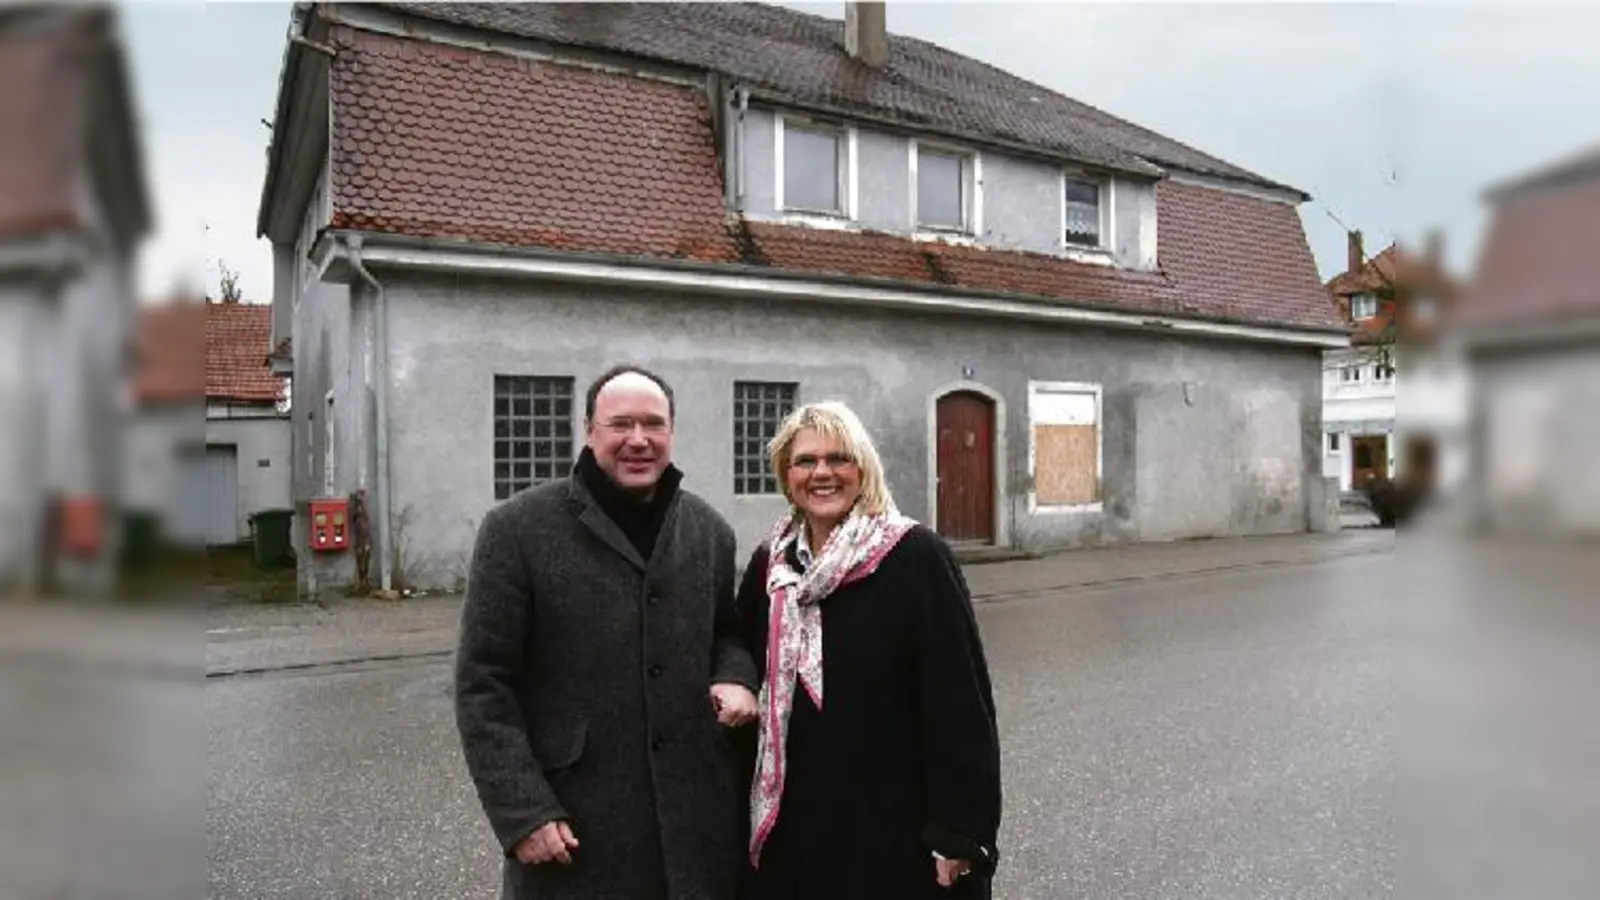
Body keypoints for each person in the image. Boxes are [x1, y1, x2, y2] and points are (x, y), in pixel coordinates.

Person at [454, 364, 761, 900]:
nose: (638, 440)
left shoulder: (709, 531)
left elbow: (727, 634)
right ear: (590, 430)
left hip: (696, 828)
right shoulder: (517, 530)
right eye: (620, 425)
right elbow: (484, 684)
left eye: (653, 424)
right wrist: (523, 811)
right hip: (576, 826)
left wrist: (736, 676)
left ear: (671, 432)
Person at [736, 400, 1003, 899]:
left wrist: (960, 833)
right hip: (796, 827)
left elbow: (960, 703)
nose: (823, 473)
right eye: (806, 461)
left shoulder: (915, 558)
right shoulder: (771, 566)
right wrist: (729, 677)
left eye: (839, 459)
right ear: (785, 474)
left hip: (892, 829)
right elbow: (737, 649)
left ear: (864, 469)